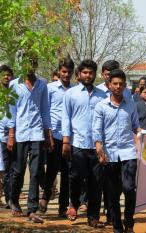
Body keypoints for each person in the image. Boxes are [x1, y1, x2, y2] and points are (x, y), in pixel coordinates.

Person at [93, 69, 140, 233]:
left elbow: (136, 127)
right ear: (109, 85)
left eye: (121, 84)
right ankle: (117, 226)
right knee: (112, 193)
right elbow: (97, 131)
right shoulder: (101, 107)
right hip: (109, 154)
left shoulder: (131, 104)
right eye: (115, 84)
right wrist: (99, 149)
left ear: (125, 86)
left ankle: (129, 223)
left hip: (129, 152)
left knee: (129, 189)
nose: (118, 86)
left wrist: (145, 136)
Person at [7, 56, 54, 223]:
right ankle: (13, 200)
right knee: (18, 170)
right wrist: (11, 135)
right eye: (26, 62)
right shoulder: (14, 84)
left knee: (35, 171)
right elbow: (11, 111)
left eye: (32, 62)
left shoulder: (42, 85)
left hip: (36, 134)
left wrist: (48, 133)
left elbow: (45, 110)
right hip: (19, 133)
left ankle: (32, 209)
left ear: (36, 64)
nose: (30, 66)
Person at [62, 59, 107, 227]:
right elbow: (66, 117)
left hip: (97, 146)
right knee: (75, 177)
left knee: (96, 181)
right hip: (77, 143)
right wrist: (66, 140)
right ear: (79, 74)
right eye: (85, 72)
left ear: (95, 74)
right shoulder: (71, 94)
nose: (88, 75)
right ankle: (73, 203)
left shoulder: (103, 95)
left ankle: (93, 216)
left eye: (91, 72)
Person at [39, 57, 75, 218]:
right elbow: (45, 110)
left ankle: (62, 207)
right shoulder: (50, 88)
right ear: (59, 71)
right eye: (63, 71)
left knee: (68, 172)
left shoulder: (75, 90)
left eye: (69, 72)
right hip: (54, 135)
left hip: (70, 136)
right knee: (52, 169)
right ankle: (45, 197)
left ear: (73, 73)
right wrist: (47, 134)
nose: (66, 75)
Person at [0, 65, 14, 208]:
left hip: (15, 135)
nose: (6, 77)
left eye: (8, 75)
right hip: (2, 137)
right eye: (3, 75)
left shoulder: (15, 92)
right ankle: (9, 198)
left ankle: (12, 197)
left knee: (15, 168)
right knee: (6, 169)